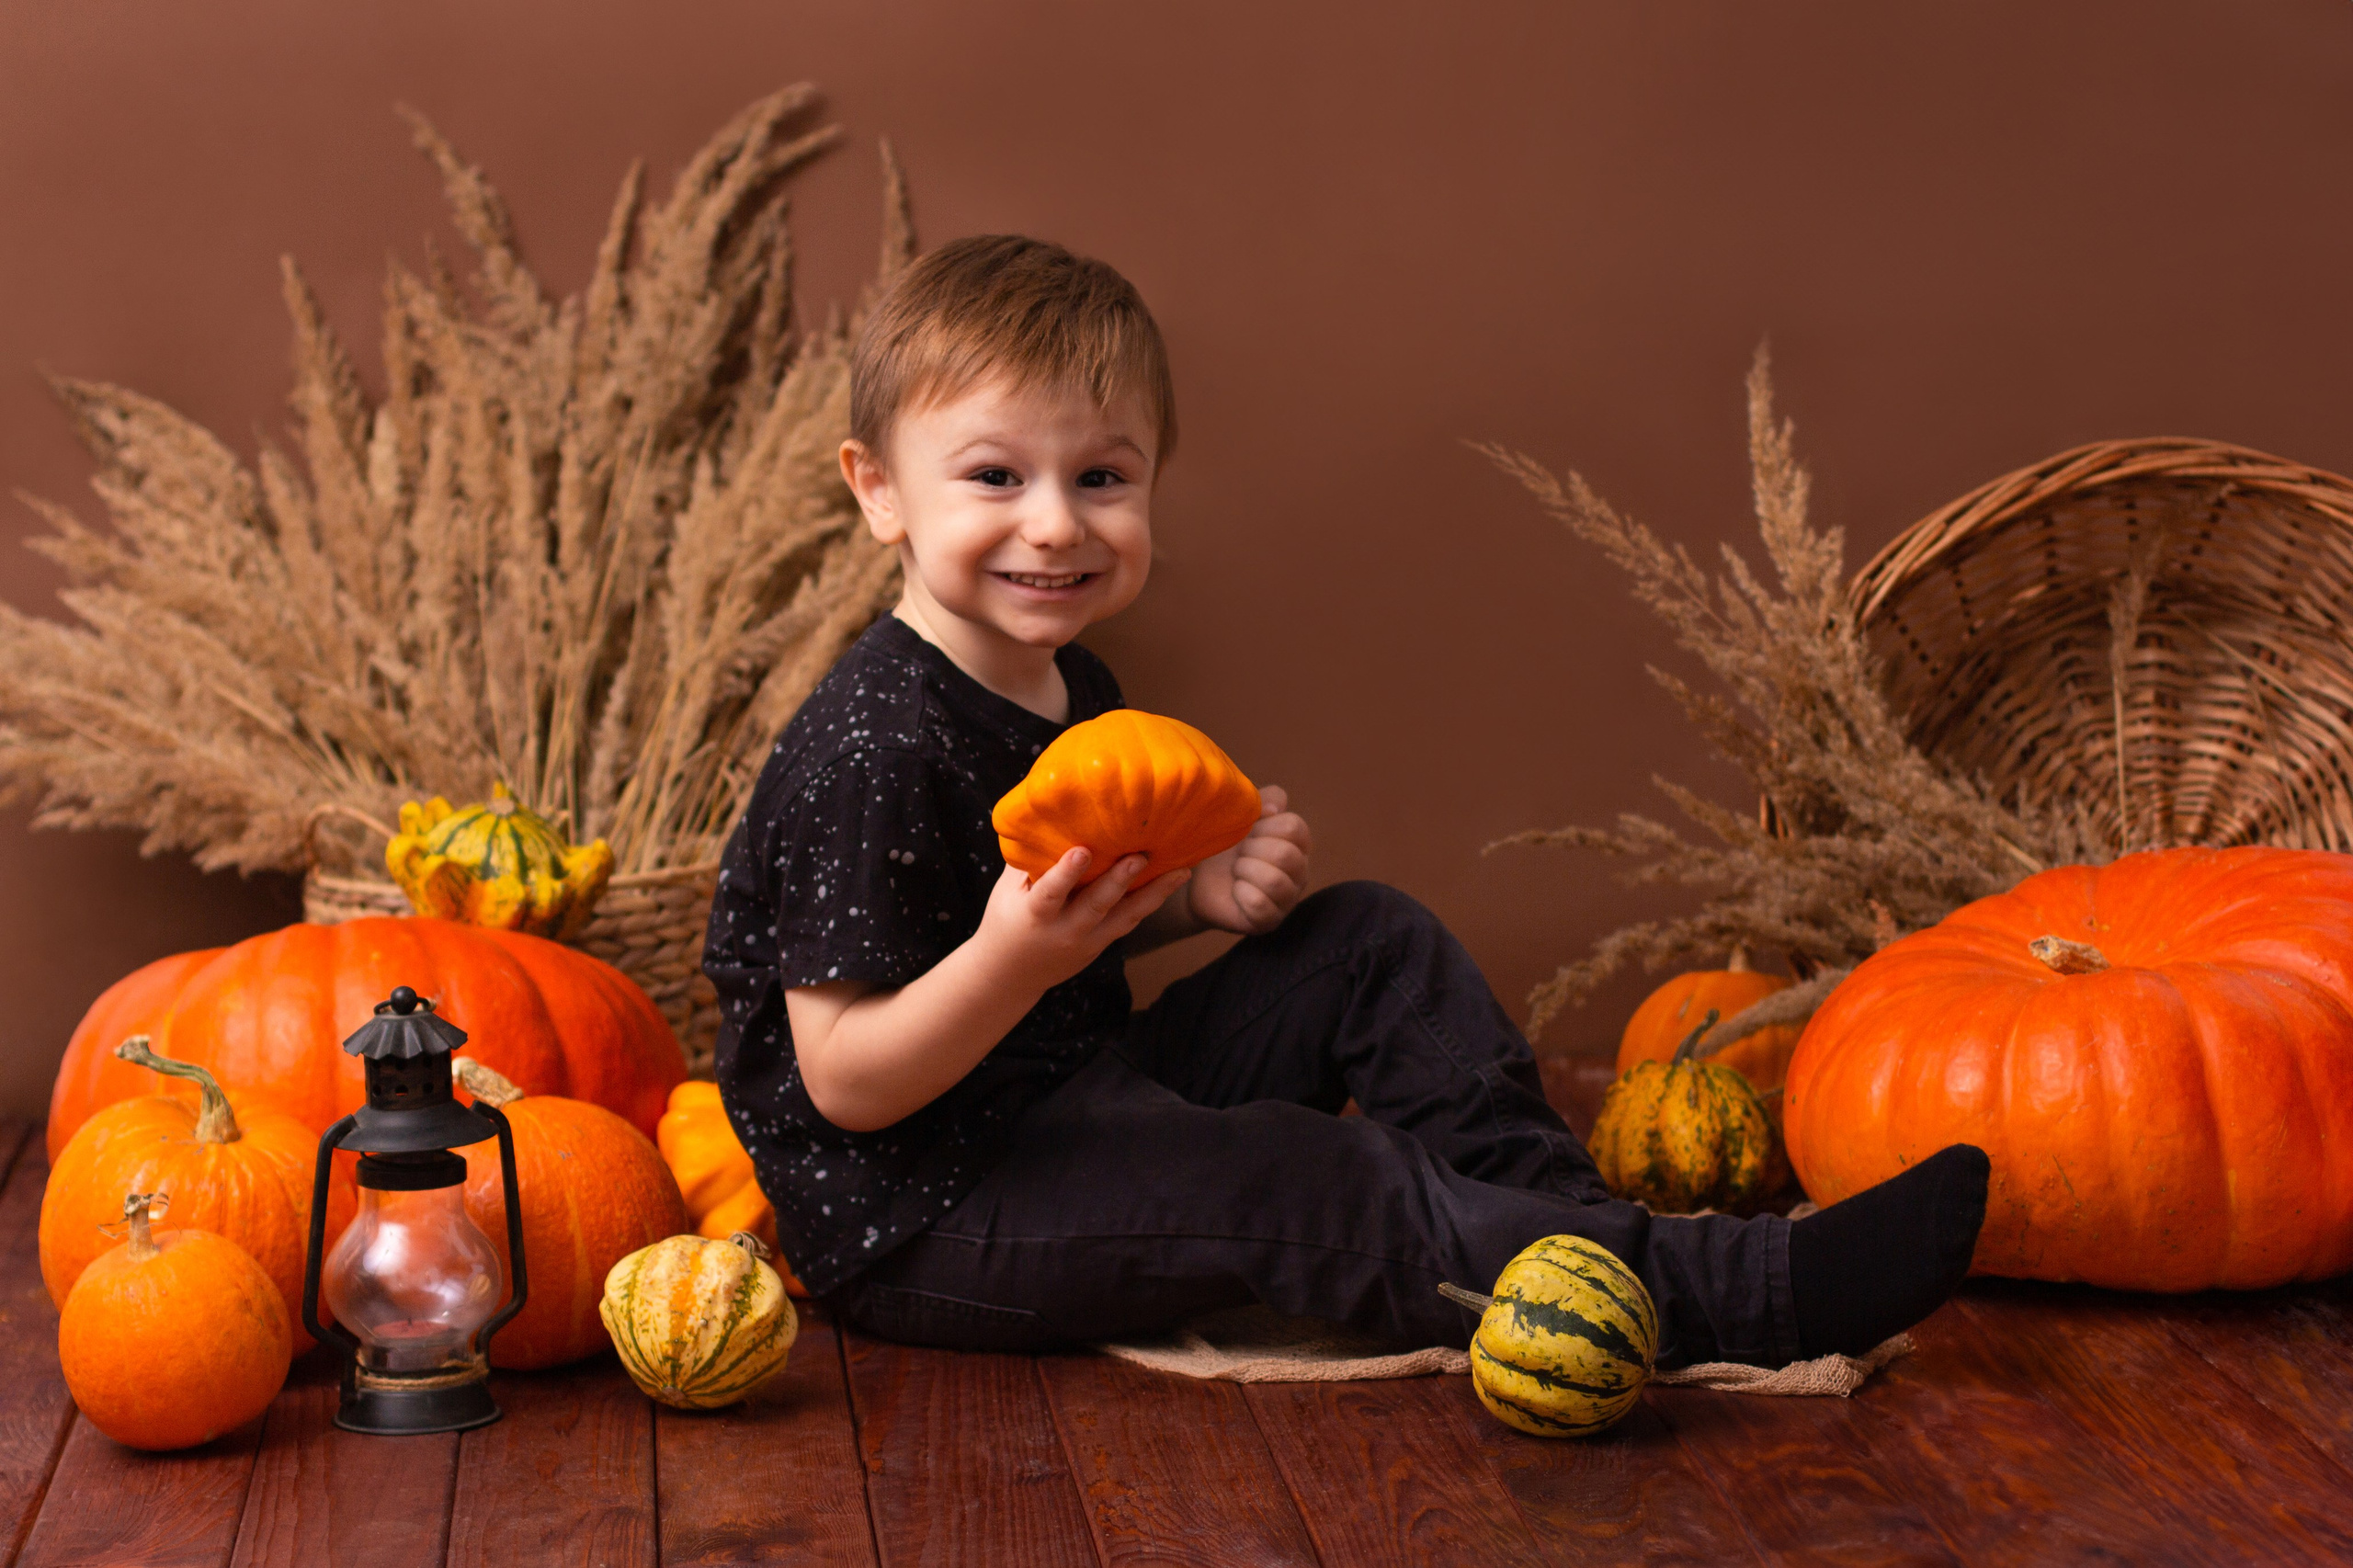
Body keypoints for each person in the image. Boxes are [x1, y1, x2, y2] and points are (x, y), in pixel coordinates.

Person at [702, 234, 1987, 1366]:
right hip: (929, 1210)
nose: (1055, 525)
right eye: (995, 477)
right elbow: (847, 1083)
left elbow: (1057, 923)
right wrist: (1012, 959)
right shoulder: (872, 749)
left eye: (1101, 477)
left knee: (1368, 939)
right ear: (879, 489)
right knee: (1303, 1177)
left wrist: (1187, 900)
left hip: (1067, 1089)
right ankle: (1737, 1295)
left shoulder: (1069, 683)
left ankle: (1581, 1237)